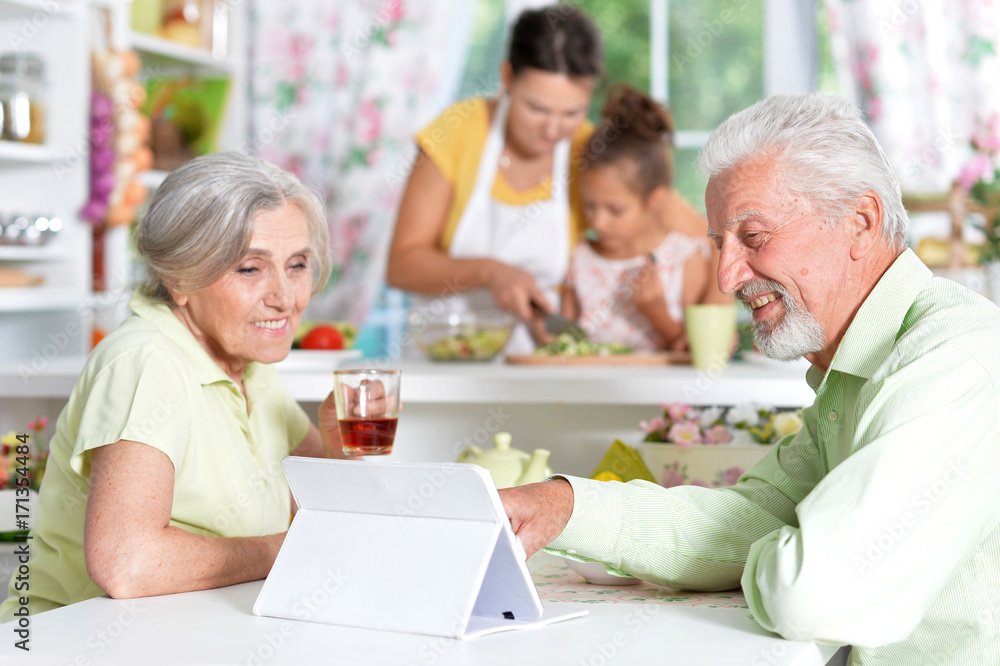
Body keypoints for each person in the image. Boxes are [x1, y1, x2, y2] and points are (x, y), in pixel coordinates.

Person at [500, 93, 1000, 665]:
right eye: (719, 245)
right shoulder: (855, 372)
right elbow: (752, 515)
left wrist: (769, 549)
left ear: (860, 223)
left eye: (753, 238)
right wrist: (560, 506)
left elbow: (811, 594)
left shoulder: (952, 362)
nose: (725, 276)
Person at [0, 152, 353, 619]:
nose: (285, 298)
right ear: (180, 276)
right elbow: (128, 563)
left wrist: (341, 445)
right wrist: (283, 550)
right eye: (250, 268)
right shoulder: (146, 361)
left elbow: (328, 511)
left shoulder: (248, 363)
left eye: (298, 265)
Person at [387, 5, 602, 352]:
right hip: (444, 358)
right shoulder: (460, 129)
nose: (552, 129)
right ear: (506, 77)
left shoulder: (590, 149)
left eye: (571, 113)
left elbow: (675, 226)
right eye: (536, 108)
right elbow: (402, 266)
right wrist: (489, 272)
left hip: (539, 365)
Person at [563, 83, 729, 350]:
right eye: (590, 206)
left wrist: (657, 314)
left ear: (656, 200)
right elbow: (565, 343)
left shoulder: (684, 259)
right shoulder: (580, 257)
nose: (598, 222)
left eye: (615, 210)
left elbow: (697, 353)